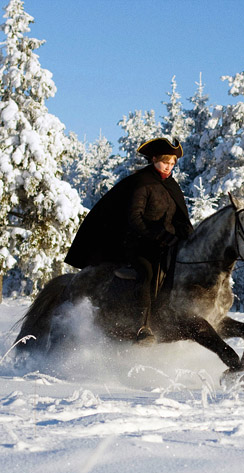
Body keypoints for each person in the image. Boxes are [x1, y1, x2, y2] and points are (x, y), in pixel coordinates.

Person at [64, 137, 193, 345]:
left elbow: (179, 217)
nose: (168, 167)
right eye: (165, 162)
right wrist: (158, 235)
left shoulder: (171, 186)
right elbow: (134, 217)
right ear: (153, 159)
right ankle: (142, 327)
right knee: (147, 271)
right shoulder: (142, 183)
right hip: (139, 245)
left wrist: (188, 234)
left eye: (172, 164)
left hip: (168, 245)